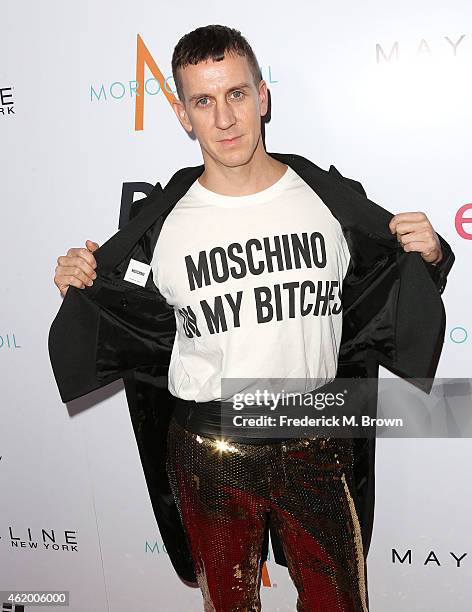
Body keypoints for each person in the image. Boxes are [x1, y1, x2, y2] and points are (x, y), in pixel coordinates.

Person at [51, 25, 453, 612]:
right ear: (183, 114)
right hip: (209, 444)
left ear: (263, 96)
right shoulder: (159, 226)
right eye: (203, 101)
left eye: (236, 94)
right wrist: (78, 283)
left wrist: (432, 255)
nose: (225, 119)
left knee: (341, 603)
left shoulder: (329, 201)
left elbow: (385, 291)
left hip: (315, 434)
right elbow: (121, 318)